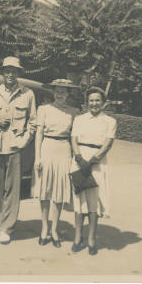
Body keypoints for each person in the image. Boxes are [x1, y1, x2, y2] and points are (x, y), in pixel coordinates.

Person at [0, 56, 37, 244]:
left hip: (14, 147)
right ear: (3, 73)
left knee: (12, 190)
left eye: (14, 71)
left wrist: (23, 142)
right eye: (7, 70)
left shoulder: (27, 94)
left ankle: (6, 228)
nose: (10, 74)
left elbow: (33, 123)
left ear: (18, 73)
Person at [32, 79, 80, 248]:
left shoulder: (74, 112)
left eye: (64, 92)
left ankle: (54, 229)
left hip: (64, 150)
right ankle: (44, 228)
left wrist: (76, 159)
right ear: (53, 92)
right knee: (45, 191)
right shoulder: (43, 109)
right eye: (57, 91)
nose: (60, 94)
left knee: (59, 192)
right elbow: (38, 134)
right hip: (47, 148)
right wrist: (37, 157)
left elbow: (75, 138)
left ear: (68, 94)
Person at [70, 86, 117, 255]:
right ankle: (77, 238)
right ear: (87, 102)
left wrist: (91, 161)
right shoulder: (79, 119)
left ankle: (91, 240)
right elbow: (74, 138)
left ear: (103, 103)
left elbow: (108, 144)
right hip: (79, 159)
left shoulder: (110, 121)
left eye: (97, 100)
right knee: (79, 201)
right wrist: (79, 158)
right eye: (91, 100)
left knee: (93, 202)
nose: (94, 103)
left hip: (97, 163)